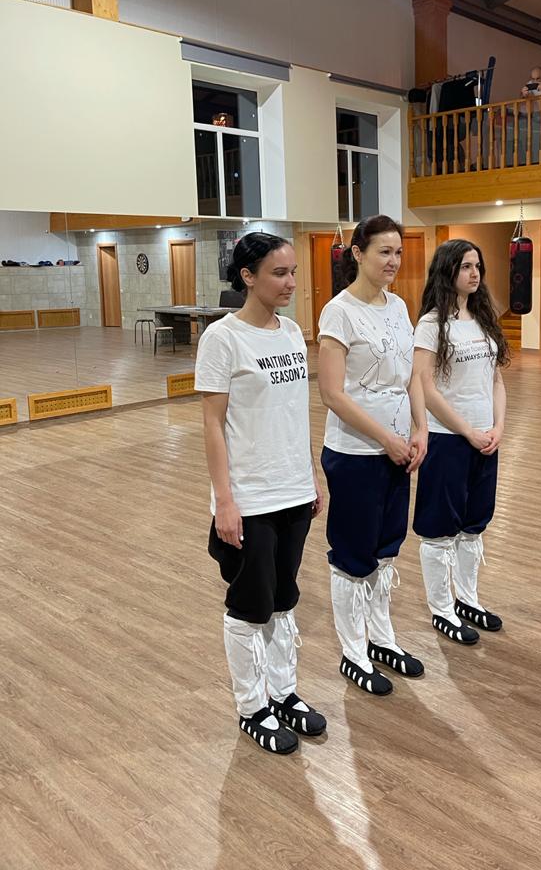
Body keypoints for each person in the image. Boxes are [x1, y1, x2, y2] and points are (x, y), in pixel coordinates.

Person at [195, 232, 326, 755]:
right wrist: (225, 501)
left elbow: (294, 414)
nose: (291, 282)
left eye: (293, 271)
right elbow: (212, 425)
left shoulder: (292, 332)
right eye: (279, 273)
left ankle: (283, 692)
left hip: (293, 490)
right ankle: (252, 707)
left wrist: (311, 475)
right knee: (250, 607)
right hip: (250, 498)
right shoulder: (222, 338)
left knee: (284, 599)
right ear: (247, 276)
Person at [318, 215, 427, 695]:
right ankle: (353, 652)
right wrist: (386, 438)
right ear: (358, 253)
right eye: (384, 251)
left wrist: (421, 429)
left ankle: (381, 639)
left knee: (386, 548)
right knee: (353, 554)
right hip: (356, 452)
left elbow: (411, 377)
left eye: (398, 252)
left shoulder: (398, 306)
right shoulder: (338, 312)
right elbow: (332, 393)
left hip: (399, 449)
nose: (393, 261)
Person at [412, 240, 509, 644]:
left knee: (474, 525)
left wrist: (498, 426)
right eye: (466, 266)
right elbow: (424, 386)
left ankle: (467, 599)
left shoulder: (484, 320)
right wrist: (467, 430)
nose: (475, 274)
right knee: (439, 530)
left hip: (486, 438)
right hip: (448, 438)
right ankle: (441, 608)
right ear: (447, 270)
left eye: (478, 266)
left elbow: (496, 380)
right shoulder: (431, 324)